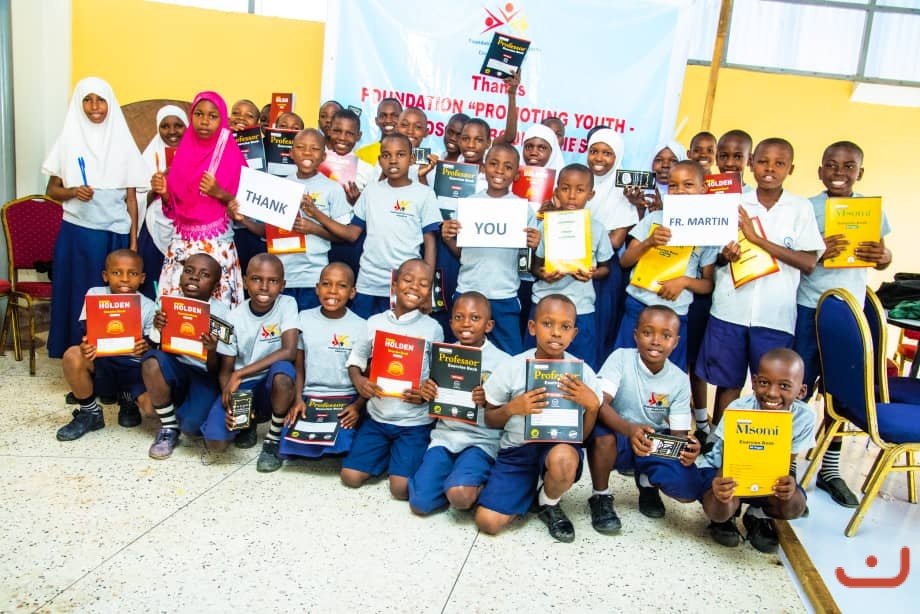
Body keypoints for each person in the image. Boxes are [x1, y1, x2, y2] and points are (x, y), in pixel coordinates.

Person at [695, 138, 824, 428]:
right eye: (763, 161)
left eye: (779, 163)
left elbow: (808, 263)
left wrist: (757, 239)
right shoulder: (733, 200)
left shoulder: (800, 208)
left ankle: (763, 444)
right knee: (727, 384)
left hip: (775, 316)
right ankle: (719, 442)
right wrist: (724, 256)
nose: (770, 169)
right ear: (751, 163)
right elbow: (712, 257)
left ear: (791, 169)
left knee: (771, 389)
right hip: (730, 310)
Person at [794, 141, 891, 507]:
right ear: (820, 170)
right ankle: (787, 463)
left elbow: (882, 257)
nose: (839, 172)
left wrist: (884, 255)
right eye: (831, 165)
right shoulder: (806, 208)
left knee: (842, 394)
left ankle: (830, 468)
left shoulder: (870, 210)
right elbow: (796, 257)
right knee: (799, 388)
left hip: (850, 312)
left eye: (848, 166)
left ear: (859, 173)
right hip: (809, 308)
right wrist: (817, 250)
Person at [476, 294, 605, 543]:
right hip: (517, 451)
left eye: (565, 327)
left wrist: (592, 408)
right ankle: (527, 489)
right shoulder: (513, 367)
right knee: (487, 522)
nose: (556, 332)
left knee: (564, 460)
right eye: (547, 324)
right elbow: (490, 419)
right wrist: (512, 409)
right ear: (532, 327)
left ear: (574, 334)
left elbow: (581, 438)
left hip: (558, 449)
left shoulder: (582, 373)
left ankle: (548, 501)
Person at [43, 77, 149, 357]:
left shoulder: (123, 142)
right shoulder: (68, 140)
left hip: (116, 234)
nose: (94, 106)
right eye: (87, 100)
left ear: (110, 103)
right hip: (79, 234)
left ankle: (115, 357)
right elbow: (52, 190)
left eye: (100, 100)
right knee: (80, 293)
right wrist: (73, 191)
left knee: (116, 297)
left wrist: (133, 242)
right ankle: (78, 355)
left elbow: (131, 200)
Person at [587, 305, 698, 531]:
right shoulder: (621, 358)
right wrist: (630, 430)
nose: (656, 341)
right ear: (636, 335)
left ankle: (647, 483)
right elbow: (600, 403)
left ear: (675, 342)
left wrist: (687, 447)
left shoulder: (679, 379)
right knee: (600, 436)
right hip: (618, 432)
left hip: (652, 440)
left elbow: (678, 433)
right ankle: (601, 495)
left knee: (688, 490)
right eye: (648, 333)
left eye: (666, 336)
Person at [340, 258, 444, 499]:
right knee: (350, 477)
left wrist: (426, 393)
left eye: (423, 284)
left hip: (414, 423)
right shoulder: (374, 323)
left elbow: (437, 377)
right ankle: (388, 456)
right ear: (394, 285)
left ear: (429, 292)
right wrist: (358, 381)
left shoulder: (433, 328)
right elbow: (356, 359)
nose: (414, 287)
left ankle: (401, 459)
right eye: (408, 280)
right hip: (378, 418)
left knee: (400, 490)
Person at [308, 133, 441, 319]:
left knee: (397, 335)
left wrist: (427, 288)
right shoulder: (371, 190)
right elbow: (352, 234)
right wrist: (317, 214)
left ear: (411, 159)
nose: (393, 160)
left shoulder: (425, 194)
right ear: (379, 160)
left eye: (400, 154)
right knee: (364, 332)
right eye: (386, 155)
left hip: (406, 285)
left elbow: (430, 244)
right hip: (368, 282)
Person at [697, 349, 814, 553]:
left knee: (795, 505)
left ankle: (758, 515)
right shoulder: (738, 409)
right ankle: (727, 517)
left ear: (801, 391)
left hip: (767, 475)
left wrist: (786, 487)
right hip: (728, 469)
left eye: (784, 386)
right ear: (754, 382)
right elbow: (727, 460)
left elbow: (785, 464)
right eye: (764, 383)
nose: (772, 393)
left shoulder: (804, 417)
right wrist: (723, 496)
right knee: (719, 506)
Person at [409, 292, 511, 514]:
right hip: (445, 437)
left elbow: (509, 415)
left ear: (489, 325)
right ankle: (456, 477)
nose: (466, 323)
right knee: (420, 504)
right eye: (459, 317)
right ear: (451, 322)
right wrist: (427, 392)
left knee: (461, 497)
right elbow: (430, 399)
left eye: (475, 318)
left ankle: (476, 483)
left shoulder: (504, 363)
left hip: (482, 441)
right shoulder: (442, 355)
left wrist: (489, 402)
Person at [615, 160, 716, 371]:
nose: (679, 191)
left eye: (688, 185)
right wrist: (649, 242)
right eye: (673, 185)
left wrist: (685, 281)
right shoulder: (654, 219)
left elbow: (708, 284)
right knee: (625, 368)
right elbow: (624, 261)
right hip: (639, 307)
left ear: (703, 188)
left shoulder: (708, 230)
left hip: (674, 314)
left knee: (669, 374)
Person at [440, 143, 541, 354]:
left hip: (504, 296)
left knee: (511, 356)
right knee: (463, 354)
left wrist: (534, 245)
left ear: (516, 174)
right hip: (468, 291)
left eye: (507, 167)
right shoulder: (469, 204)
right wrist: (447, 237)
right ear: (484, 168)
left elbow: (525, 263)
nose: (500, 171)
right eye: (494, 164)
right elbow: (461, 253)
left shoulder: (523, 210)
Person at [201, 254, 299, 470]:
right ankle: (249, 421)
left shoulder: (288, 304)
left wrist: (240, 373)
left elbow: (289, 351)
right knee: (216, 442)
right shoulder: (232, 318)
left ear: (283, 285)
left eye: (273, 281)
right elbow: (226, 370)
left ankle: (273, 439)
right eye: (256, 279)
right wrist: (230, 403)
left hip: (270, 381)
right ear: (245, 282)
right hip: (244, 387)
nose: (264, 287)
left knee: (283, 373)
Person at [236, 128, 350, 311]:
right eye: (300, 147)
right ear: (291, 153)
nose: (307, 152)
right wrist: (244, 220)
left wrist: (313, 228)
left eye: (314, 148)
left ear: (323, 156)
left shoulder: (332, 189)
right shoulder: (279, 187)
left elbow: (343, 236)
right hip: (281, 276)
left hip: (314, 276)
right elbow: (266, 232)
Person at [151, 91, 247, 306]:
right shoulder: (184, 152)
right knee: (177, 313)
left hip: (217, 246)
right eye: (199, 114)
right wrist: (164, 193)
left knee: (216, 314)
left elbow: (245, 206)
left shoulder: (231, 155)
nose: (204, 121)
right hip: (182, 245)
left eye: (212, 116)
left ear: (222, 119)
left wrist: (219, 192)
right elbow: (174, 207)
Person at [688, 128, 755, 433]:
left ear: (748, 160)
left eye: (737, 157)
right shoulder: (705, 193)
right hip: (703, 288)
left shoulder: (754, 199)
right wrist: (718, 258)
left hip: (737, 297)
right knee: (696, 361)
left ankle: (719, 434)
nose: (729, 162)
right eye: (724, 156)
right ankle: (702, 423)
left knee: (730, 375)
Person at [55, 249, 156, 441]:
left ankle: (127, 398)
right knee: (72, 355)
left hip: (133, 367)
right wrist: (86, 344)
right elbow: (88, 331)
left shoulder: (149, 306)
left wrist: (147, 346)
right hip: (102, 362)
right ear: (105, 275)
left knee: (152, 410)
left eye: (133, 273)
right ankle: (90, 413)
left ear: (142, 278)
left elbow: (152, 344)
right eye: (116, 273)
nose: (124, 279)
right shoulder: (95, 294)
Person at [142, 253, 229, 459]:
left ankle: (183, 408)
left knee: (192, 426)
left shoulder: (222, 313)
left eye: (204, 275)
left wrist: (212, 350)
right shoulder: (167, 303)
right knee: (151, 362)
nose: (194, 277)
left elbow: (219, 368)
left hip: (204, 373)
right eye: (189, 271)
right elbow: (154, 346)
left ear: (215, 286)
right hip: (175, 367)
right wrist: (158, 328)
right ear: (181, 276)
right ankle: (169, 427)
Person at [529, 164, 612, 369]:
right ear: (557, 192)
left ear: (591, 194)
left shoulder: (597, 229)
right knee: (536, 366)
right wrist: (544, 274)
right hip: (544, 303)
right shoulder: (546, 224)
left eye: (580, 190)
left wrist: (592, 273)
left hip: (580, 308)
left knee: (578, 368)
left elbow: (606, 268)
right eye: (565, 189)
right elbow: (535, 266)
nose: (572, 196)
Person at [282, 262, 368, 458]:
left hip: (345, 397)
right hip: (310, 396)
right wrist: (297, 399)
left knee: (341, 444)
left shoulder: (362, 326)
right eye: (326, 284)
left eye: (341, 286)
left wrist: (357, 406)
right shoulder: (303, 318)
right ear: (317, 288)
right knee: (292, 444)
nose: (333, 291)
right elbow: (299, 366)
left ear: (352, 292)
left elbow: (367, 373)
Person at [584, 128, 639, 365]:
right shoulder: (576, 182)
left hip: (604, 272)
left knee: (598, 330)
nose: (599, 158)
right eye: (594, 151)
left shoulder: (623, 194)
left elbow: (615, 241)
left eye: (607, 153)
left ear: (617, 157)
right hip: (569, 266)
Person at [138, 104, 188, 300]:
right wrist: (156, 188)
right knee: (154, 281)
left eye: (178, 125)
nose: (172, 131)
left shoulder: (197, 156)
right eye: (165, 126)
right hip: (152, 231)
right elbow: (137, 198)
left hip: (186, 231)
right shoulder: (148, 158)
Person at [623, 141, 687, 220]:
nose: (665, 165)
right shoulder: (638, 193)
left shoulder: (689, 195)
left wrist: (661, 213)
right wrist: (640, 208)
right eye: (659, 160)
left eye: (673, 161)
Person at [355, 97, 403, 165]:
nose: (388, 120)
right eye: (383, 116)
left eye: (394, 116)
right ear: (376, 121)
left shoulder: (410, 154)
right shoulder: (362, 154)